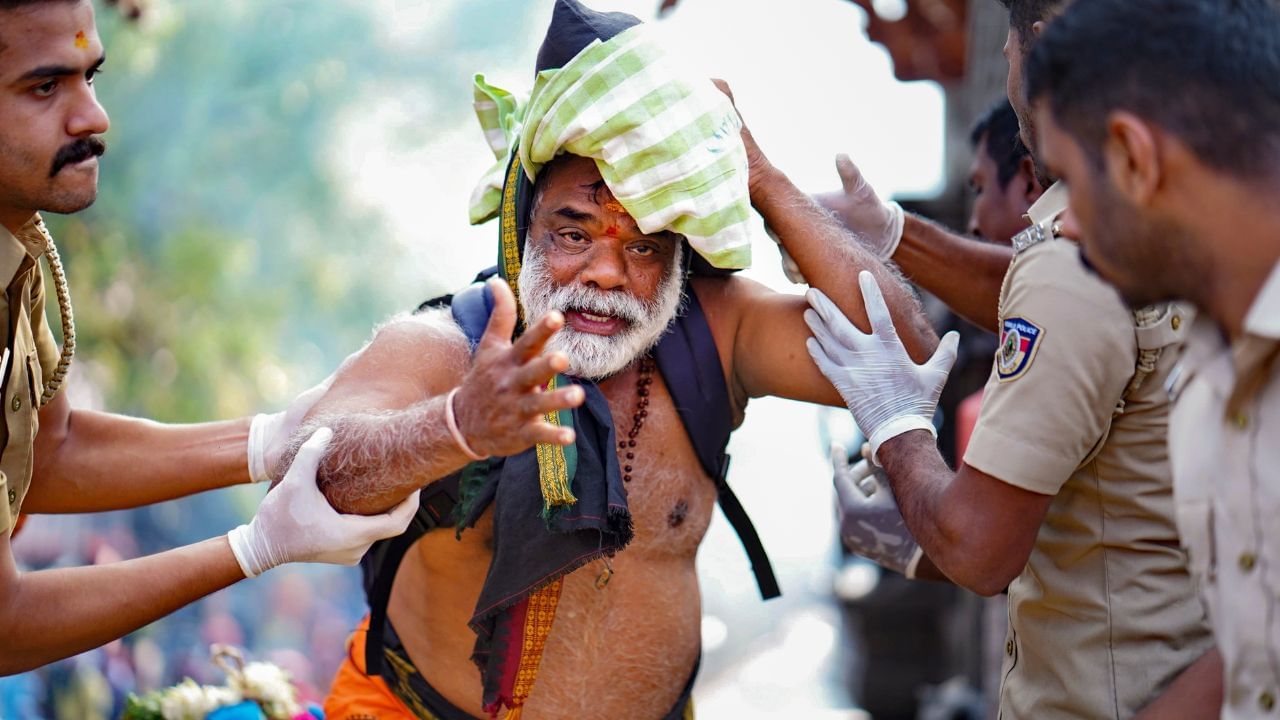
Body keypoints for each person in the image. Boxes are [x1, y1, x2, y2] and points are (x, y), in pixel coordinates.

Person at [306, 2, 946, 718]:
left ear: (679, 257)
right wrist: (456, 426)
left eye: (642, 246)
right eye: (574, 236)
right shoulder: (444, 349)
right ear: (522, 229)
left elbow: (907, 353)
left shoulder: (719, 331)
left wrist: (759, 176)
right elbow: (313, 475)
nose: (607, 274)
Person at [805, 0, 1213, 717]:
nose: (1001, 64)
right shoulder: (1204, 214)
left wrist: (896, 425)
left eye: (1011, 47)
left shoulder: (1074, 269)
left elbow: (979, 550)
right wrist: (893, 233)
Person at [0, 0, 418, 674]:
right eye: (44, 87)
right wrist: (255, 547)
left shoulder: (17, 255)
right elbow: (5, 623)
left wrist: (269, 440)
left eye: (91, 78)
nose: (93, 118)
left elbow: (52, 455)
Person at [1025, 0, 1280, 716]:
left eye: (1070, 184)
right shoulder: (1201, 383)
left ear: (1135, 159)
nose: (1064, 224)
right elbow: (1254, 654)